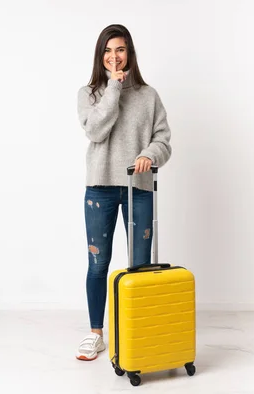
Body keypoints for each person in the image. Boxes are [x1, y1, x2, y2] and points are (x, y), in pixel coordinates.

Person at [75, 24, 173, 361]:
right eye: (108, 50)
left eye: (120, 50)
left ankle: (136, 331)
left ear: (129, 52)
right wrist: (113, 88)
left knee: (140, 265)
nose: (114, 57)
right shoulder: (89, 94)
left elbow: (163, 139)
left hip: (139, 188)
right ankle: (95, 334)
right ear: (100, 55)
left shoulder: (148, 96)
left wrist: (150, 154)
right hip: (100, 188)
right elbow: (97, 131)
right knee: (98, 264)